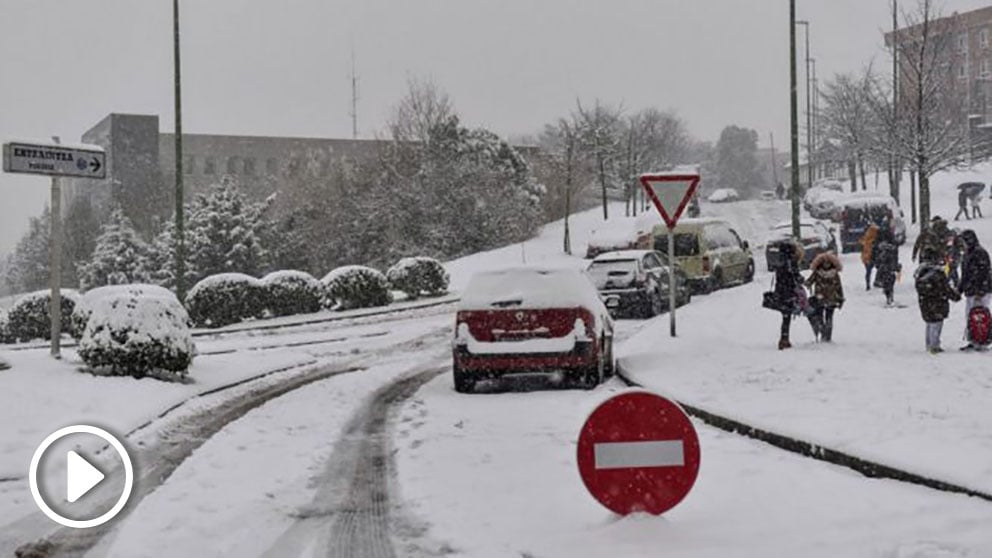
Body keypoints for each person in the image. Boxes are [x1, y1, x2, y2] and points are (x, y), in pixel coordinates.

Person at [914, 260, 961, 354]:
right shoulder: (938, 274)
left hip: (925, 302)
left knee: (929, 323)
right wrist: (956, 296)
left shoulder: (921, 271)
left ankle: (929, 344)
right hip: (938, 302)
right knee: (937, 323)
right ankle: (934, 346)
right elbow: (946, 288)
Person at [958, 229, 991, 349]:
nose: (962, 244)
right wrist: (960, 289)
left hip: (979, 291)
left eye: (963, 241)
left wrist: (979, 290)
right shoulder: (968, 253)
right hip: (971, 290)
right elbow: (965, 274)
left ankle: (982, 339)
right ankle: (974, 338)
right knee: (971, 315)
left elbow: (983, 272)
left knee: (980, 316)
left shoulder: (979, 253)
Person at [805, 252, 844, 342]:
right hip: (832, 299)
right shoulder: (835, 274)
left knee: (819, 316)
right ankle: (828, 336)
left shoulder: (817, 273)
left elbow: (809, 282)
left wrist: (806, 283)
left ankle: (823, 332)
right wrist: (841, 298)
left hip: (820, 298)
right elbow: (839, 287)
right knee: (829, 317)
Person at [872, 224, 900, 306]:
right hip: (889, 265)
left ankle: (888, 295)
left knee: (886, 280)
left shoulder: (878, 242)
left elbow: (874, 252)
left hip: (884, 265)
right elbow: (895, 251)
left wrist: (876, 262)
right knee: (890, 280)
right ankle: (890, 295)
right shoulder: (892, 244)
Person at [859, 223, 880, 291]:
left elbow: (862, 245)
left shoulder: (866, 238)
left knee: (868, 271)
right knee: (879, 269)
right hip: (872, 257)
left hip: (866, 257)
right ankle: (876, 281)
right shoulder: (875, 240)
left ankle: (868, 284)